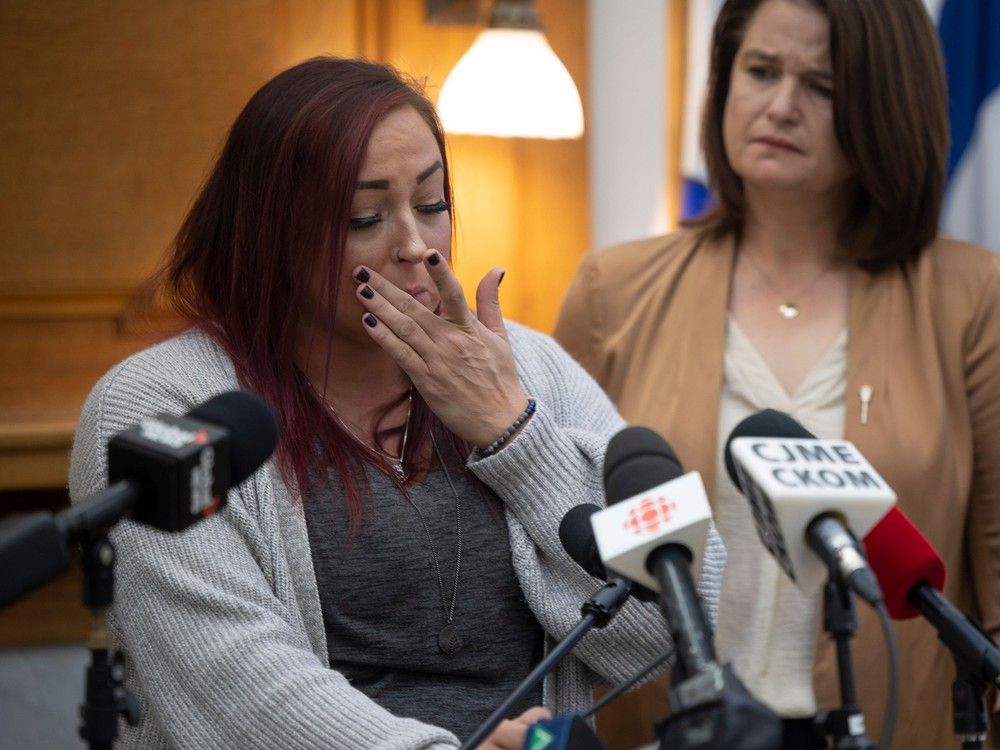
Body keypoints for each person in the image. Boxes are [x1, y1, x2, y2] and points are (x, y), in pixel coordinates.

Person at [68, 57, 726, 749]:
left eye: (433, 204)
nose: (414, 245)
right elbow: (237, 689)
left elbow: (678, 622)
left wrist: (516, 436)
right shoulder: (158, 406)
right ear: (268, 231)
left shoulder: (527, 368)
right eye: (365, 216)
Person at [554, 1, 1000, 748]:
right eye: (761, 71)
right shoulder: (613, 291)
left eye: (822, 86)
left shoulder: (974, 298)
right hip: (672, 729)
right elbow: (551, 551)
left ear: (887, 104)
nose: (781, 106)